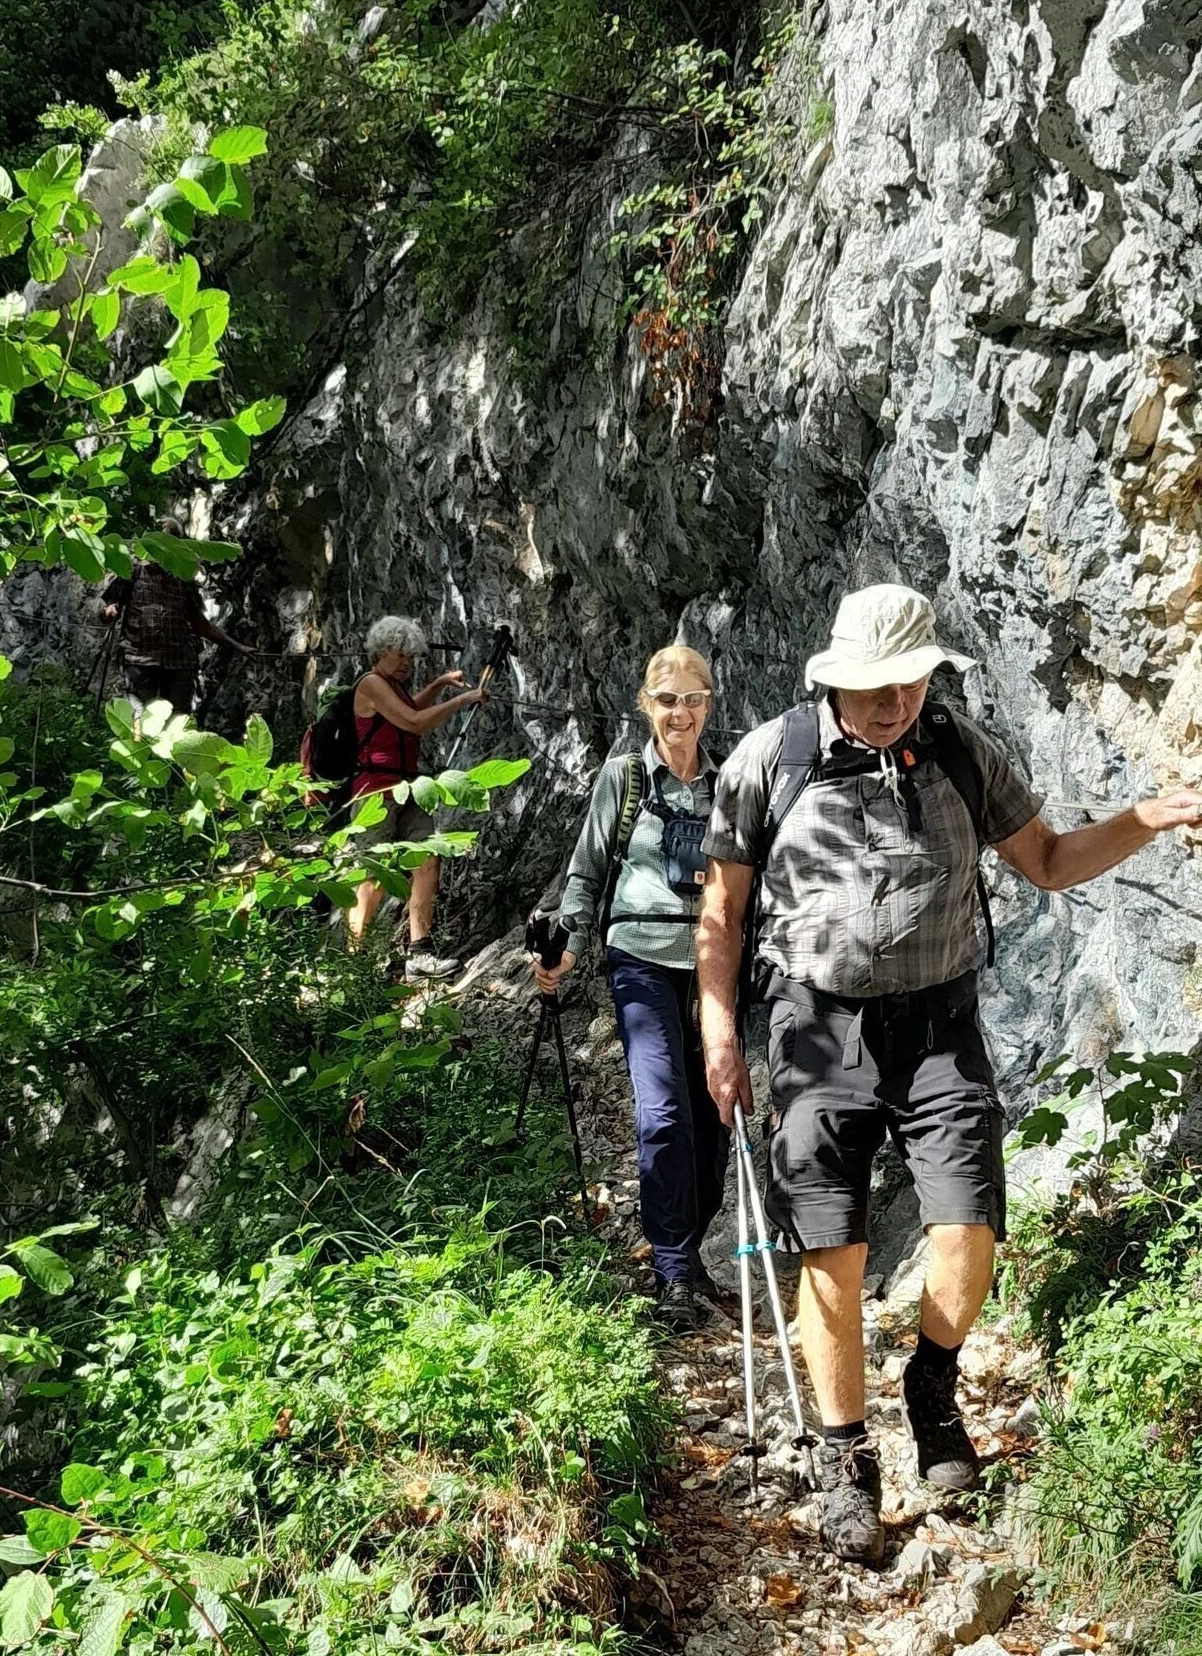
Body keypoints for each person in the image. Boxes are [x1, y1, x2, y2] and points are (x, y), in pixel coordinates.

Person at [696, 583, 1202, 1562]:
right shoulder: (771, 759)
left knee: (968, 1230)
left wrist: (1143, 817)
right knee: (832, 1249)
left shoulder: (962, 749)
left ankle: (931, 1380)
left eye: (911, 681)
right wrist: (720, 1031)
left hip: (940, 1025)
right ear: (836, 678)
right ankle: (845, 1458)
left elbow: (1047, 859)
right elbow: (720, 913)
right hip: (816, 1029)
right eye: (875, 685)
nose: (895, 701)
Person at [533, 642, 727, 1336]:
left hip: (713, 964)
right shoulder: (625, 778)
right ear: (646, 705)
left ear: (709, 704)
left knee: (713, 1119)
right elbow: (587, 870)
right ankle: (671, 1270)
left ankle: (689, 1253)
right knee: (663, 1113)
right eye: (667, 700)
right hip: (639, 959)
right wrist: (567, 946)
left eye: (693, 699)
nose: (680, 713)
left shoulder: (729, 782)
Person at [347, 616, 489, 979]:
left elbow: (411, 710)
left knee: (427, 859)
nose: (407, 663)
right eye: (401, 655)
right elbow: (413, 722)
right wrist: (463, 699)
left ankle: (420, 953)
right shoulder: (371, 683)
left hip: (408, 787)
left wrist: (439, 684)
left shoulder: (392, 687)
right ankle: (353, 963)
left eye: (410, 656)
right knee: (374, 875)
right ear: (381, 652)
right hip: (375, 792)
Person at [100, 564, 254, 719]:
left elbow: (201, 625)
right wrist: (108, 612)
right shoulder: (131, 572)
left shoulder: (183, 578)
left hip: (180, 662)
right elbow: (106, 611)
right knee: (142, 717)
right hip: (139, 661)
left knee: (178, 720)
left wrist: (238, 647)